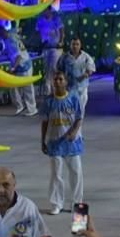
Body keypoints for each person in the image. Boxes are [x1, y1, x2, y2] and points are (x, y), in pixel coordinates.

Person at [40, 70, 83, 215]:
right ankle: (56, 203)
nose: (57, 82)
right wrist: (43, 140)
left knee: (76, 173)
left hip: (72, 142)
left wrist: (74, 132)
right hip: (54, 142)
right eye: (55, 80)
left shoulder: (73, 98)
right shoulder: (48, 102)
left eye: (60, 79)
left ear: (65, 82)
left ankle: (77, 203)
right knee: (56, 174)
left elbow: (79, 118)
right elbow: (45, 122)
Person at [0, 25, 37, 117]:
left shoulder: (11, 41)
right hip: (19, 65)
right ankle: (20, 106)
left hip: (24, 65)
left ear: (3, 32)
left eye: (0, 34)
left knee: (27, 88)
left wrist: (13, 68)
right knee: (13, 86)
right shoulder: (10, 36)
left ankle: (32, 109)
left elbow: (18, 56)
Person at [58, 36, 96, 115]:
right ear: (70, 45)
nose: (75, 46)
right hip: (68, 88)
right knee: (69, 112)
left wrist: (85, 74)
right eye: (73, 44)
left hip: (82, 88)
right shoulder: (64, 57)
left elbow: (90, 69)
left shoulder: (86, 57)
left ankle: (78, 126)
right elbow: (59, 70)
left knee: (80, 112)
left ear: (80, 45)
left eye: (77, 44)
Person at [36, 8, 64, 95]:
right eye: (43, 10)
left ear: (49, 10)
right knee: (46, 69)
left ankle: (57, 88)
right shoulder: (40, 20)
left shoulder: (56, 19)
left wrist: (60, 41)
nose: (44, 12)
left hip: (55, 48)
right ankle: (48, 91)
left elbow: (61, 30)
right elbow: (37, 32)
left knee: (54, 68)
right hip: (45, 48)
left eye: (46, 10)